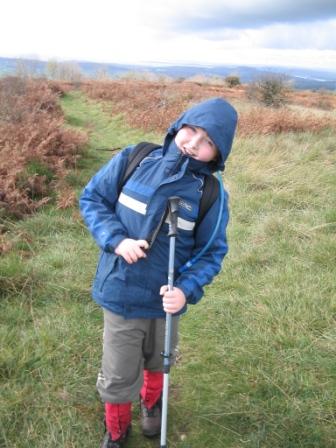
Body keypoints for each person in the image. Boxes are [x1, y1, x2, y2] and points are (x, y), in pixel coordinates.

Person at [79, 97, 238, 447]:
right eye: (192, 130)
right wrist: (116, 240)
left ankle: (152, 406)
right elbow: (92, 199)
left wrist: (185, 289)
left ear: (219, 152)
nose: (194, 144)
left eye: (208, 141)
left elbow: (211, 252)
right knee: (120, 372)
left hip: (166, 303)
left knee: (158, 360)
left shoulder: (210, 194)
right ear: (179, 124)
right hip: (121, 292)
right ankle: (117, 431)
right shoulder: (135, 158)